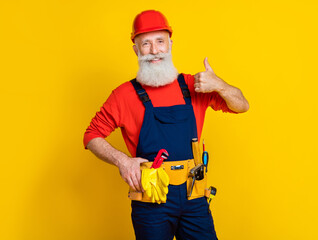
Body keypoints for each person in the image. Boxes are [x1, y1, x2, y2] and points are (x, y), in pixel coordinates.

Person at [83, 9, 249, 240]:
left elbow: (242, 105)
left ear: (170, 44)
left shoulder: (195, 85)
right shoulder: (124, 95)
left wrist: (220, 85)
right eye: (146, 44)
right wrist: (123, 161)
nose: (154, 51)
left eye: (160, 41)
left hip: (194, 195)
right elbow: (91, 135)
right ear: (136, 50)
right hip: (151, 198)